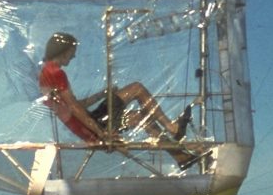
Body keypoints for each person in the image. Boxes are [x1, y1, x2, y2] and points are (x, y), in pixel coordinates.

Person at [38, 32, 192, 145]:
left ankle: (181, 157)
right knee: (137, 88)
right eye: (72, 53)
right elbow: (74, 108)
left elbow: (76, 106)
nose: (73, 56)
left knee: (139, 117)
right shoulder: (56, 73)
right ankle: (172, 128)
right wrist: (102, 133)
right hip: (94, 126)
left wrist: (102, 94)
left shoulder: (46, 73)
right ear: (64, 51)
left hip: (89, 128)